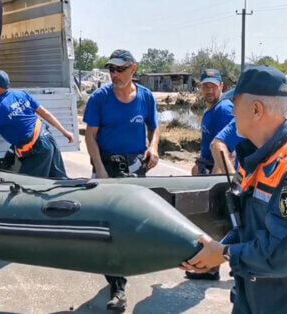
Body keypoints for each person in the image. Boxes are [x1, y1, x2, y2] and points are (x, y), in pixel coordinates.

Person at [181, 66, 287, 314]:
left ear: (256, 110)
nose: (231, 111)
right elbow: (247, 226)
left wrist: (224, 254)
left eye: (235, 103)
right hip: (254, 288)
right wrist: (214, 248)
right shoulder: (255, 158)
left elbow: (281, 255)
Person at [83, 49, 159, 310]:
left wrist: (154, 147)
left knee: (132, 222)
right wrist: (101, 171)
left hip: (136, 164)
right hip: (107, 164)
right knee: (109, 228)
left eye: (120, 69)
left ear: (133, 70)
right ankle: (118, 286)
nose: (114, 75)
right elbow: (90, 136)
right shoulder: (100, 98)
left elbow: (154, 126)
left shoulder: (146, 97)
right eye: (111, 70)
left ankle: (124, 268)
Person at [211, 87, 287, 174]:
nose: (233, 111)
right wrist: (232, 178)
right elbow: (217, 145)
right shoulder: (242, 123)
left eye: (237, 104)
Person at [191, 69, 234, 176]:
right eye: (206, 87)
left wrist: (214, 179)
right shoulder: (209, 110)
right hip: (205, 165)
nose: (209, 90)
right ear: (200, 88)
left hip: (216, 170)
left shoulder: (224, 109)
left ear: (221, 86)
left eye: (213, 87)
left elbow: (227, 149)